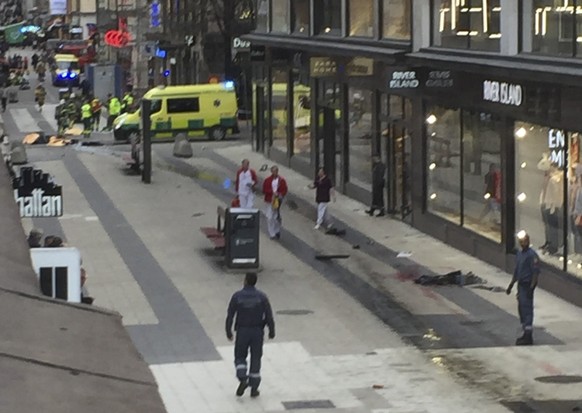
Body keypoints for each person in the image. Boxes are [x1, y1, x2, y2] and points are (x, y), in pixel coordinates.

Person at [225, 272, 275, 398]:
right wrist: (271, 330)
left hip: (242, 331)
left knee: (240, 356)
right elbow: (269, 315)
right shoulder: (262, 297)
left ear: (245, 281)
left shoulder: (237, 296)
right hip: (257, 331)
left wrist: (228, 331)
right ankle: (254, 388)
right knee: (256, 358)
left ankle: (242, 378)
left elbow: (230, 314)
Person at [506, 231, 541, 346]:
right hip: (520, 286)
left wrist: (532, 288)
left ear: (528, 241)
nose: (522, 243)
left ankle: (528, 335)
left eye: (524, 241)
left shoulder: (532, 255)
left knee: (527, 310)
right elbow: (517, 271)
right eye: (521, 241)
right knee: (521, 309)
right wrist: (511, 285)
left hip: (527, 286)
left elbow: (535, 273)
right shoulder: (520, 254)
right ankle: (525, 331)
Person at [262, 166, 288, 240]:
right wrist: (272, 192)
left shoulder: (281, 180)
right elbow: (264, 190)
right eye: (273, 171)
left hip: (277, 201)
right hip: (269, 201)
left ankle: (277, 230)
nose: (275, 173)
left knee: (276, 217)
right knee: (270, 217)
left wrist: (279, 194)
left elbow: (284, 190)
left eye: (276, 171)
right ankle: (271, 233)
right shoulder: (267, 180)